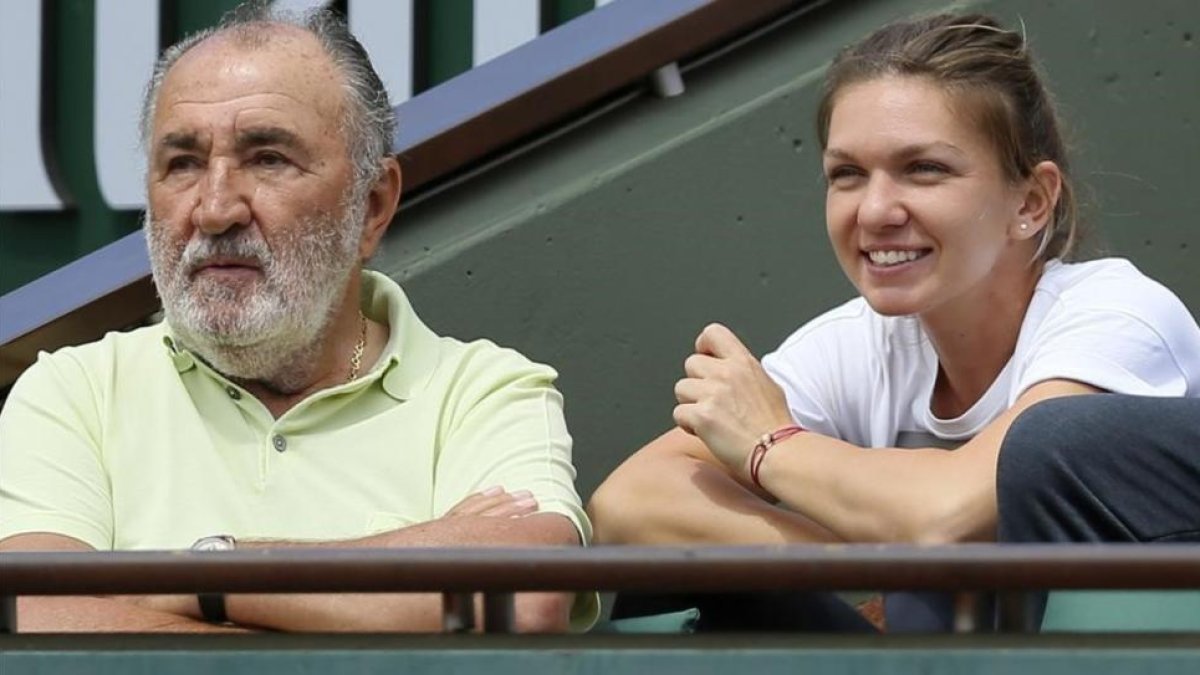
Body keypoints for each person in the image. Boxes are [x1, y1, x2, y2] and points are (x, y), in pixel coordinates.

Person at [588, 12, 1200, 632]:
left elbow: (951, 510)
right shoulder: (856, 343)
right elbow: (627, 501)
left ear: (1031, 201)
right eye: (847, 174)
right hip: (953, 646)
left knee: (1043, 442)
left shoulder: (1119, 314)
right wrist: (859, 567)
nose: (876, 210)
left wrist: (770, 446)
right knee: (675, 581)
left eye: (924, 169)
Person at [0, 4, 592, 633]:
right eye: (183, 164)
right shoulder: (75, 391)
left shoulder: (483, 391)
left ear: (372, 206)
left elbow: (527, 595)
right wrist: (390, 589)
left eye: (267, 158)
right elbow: (30, 617)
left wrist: (205, 573)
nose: (216, 208)